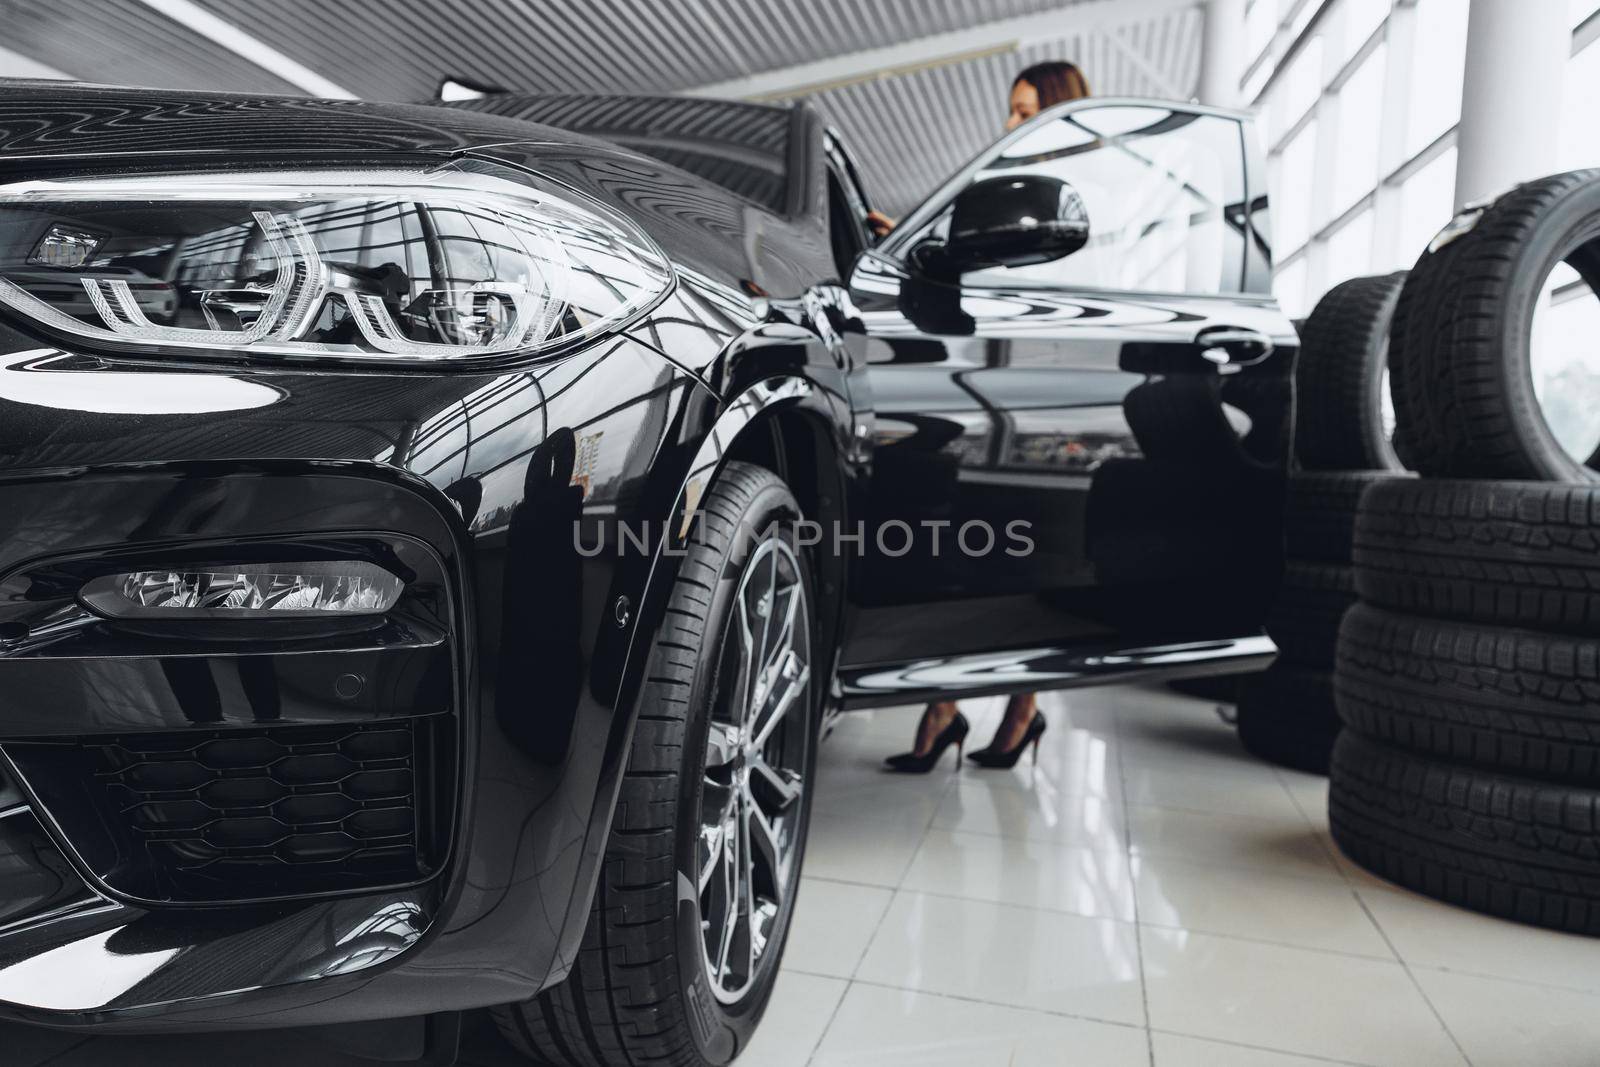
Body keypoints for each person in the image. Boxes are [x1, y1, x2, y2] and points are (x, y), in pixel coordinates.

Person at [882, 59, 1091, 774]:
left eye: (1023, 108)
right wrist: (911, 250)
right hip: (991, 387)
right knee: (976, 550)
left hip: (1046, 391)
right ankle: (948, 704)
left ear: (1058, 111)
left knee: (1026, 550)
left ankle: (1016, 709)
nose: (1008, 123)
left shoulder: (1072, 200)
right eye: (1010, 109)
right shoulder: (1007, 194)